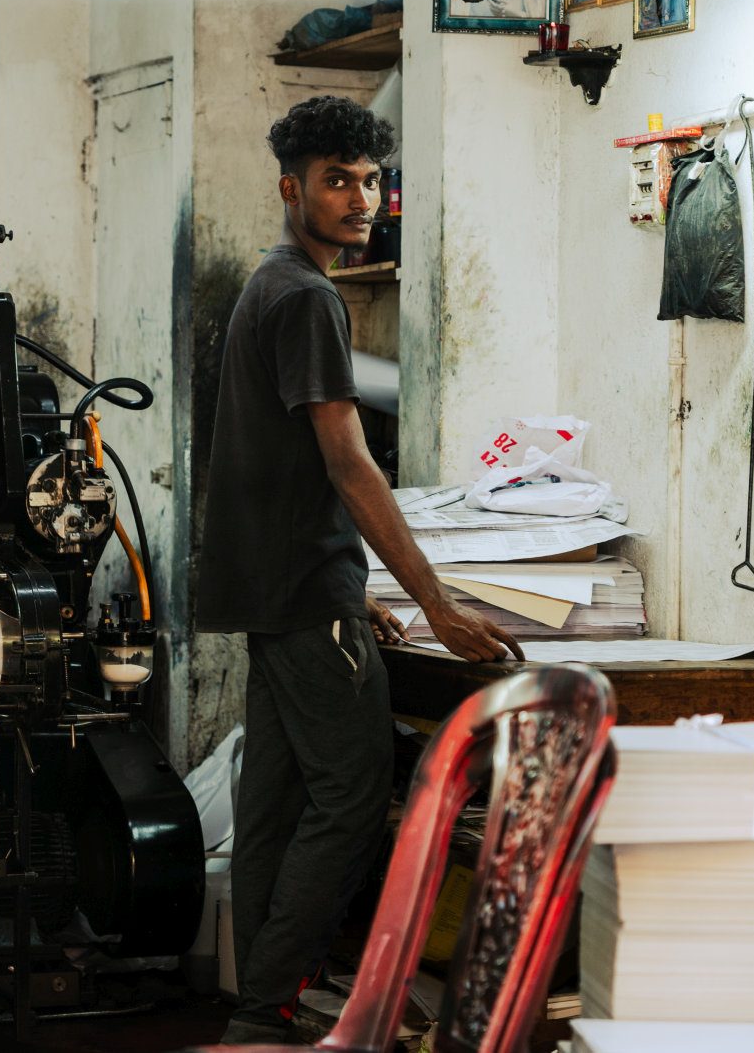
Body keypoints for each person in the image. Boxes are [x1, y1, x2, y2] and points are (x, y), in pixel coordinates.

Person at [197, 95, 523, 1044]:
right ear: (290, 188)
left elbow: (311, 470)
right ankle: (265, 1003)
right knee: (352, 792)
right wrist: (436, 601)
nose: (359, 197)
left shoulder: (272, 283)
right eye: (336, 180)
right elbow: (348, 461)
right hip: (305, 593)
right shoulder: (305, 296)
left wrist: (355, 593)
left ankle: (255, 1007)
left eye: (371, 179)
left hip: (288, 594)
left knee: (277, 802)